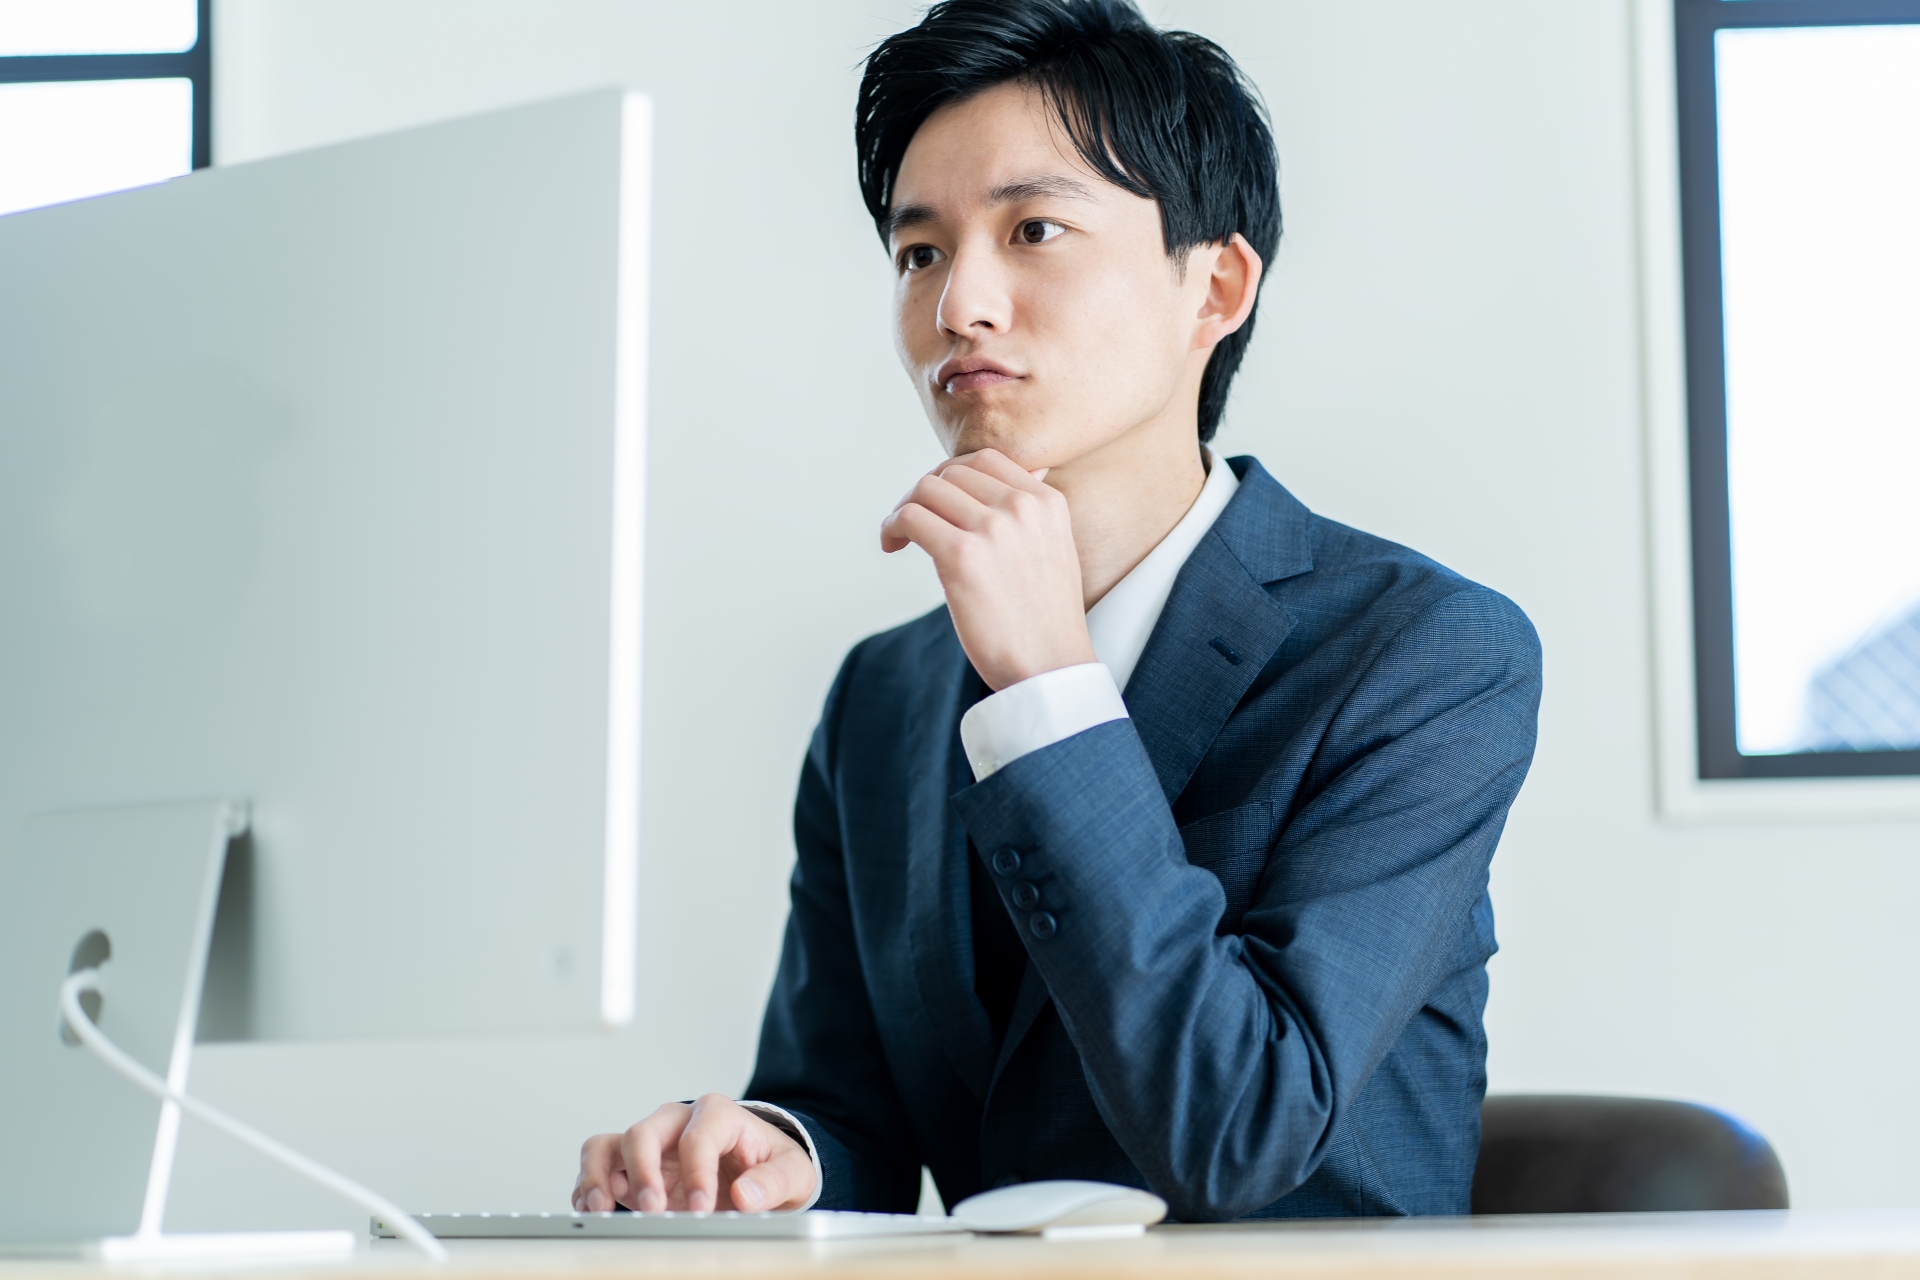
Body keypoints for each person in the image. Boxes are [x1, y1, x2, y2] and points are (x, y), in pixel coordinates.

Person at [574, 0, 1541, 1222]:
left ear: (1215, 288)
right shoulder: (883, 696)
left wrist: (1047, 691)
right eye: (920, 253)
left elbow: (1244, 1124)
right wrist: (774, 1154)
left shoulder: (1419, 653)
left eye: (1033, 229)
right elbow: (851, 1113)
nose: (959, 305)